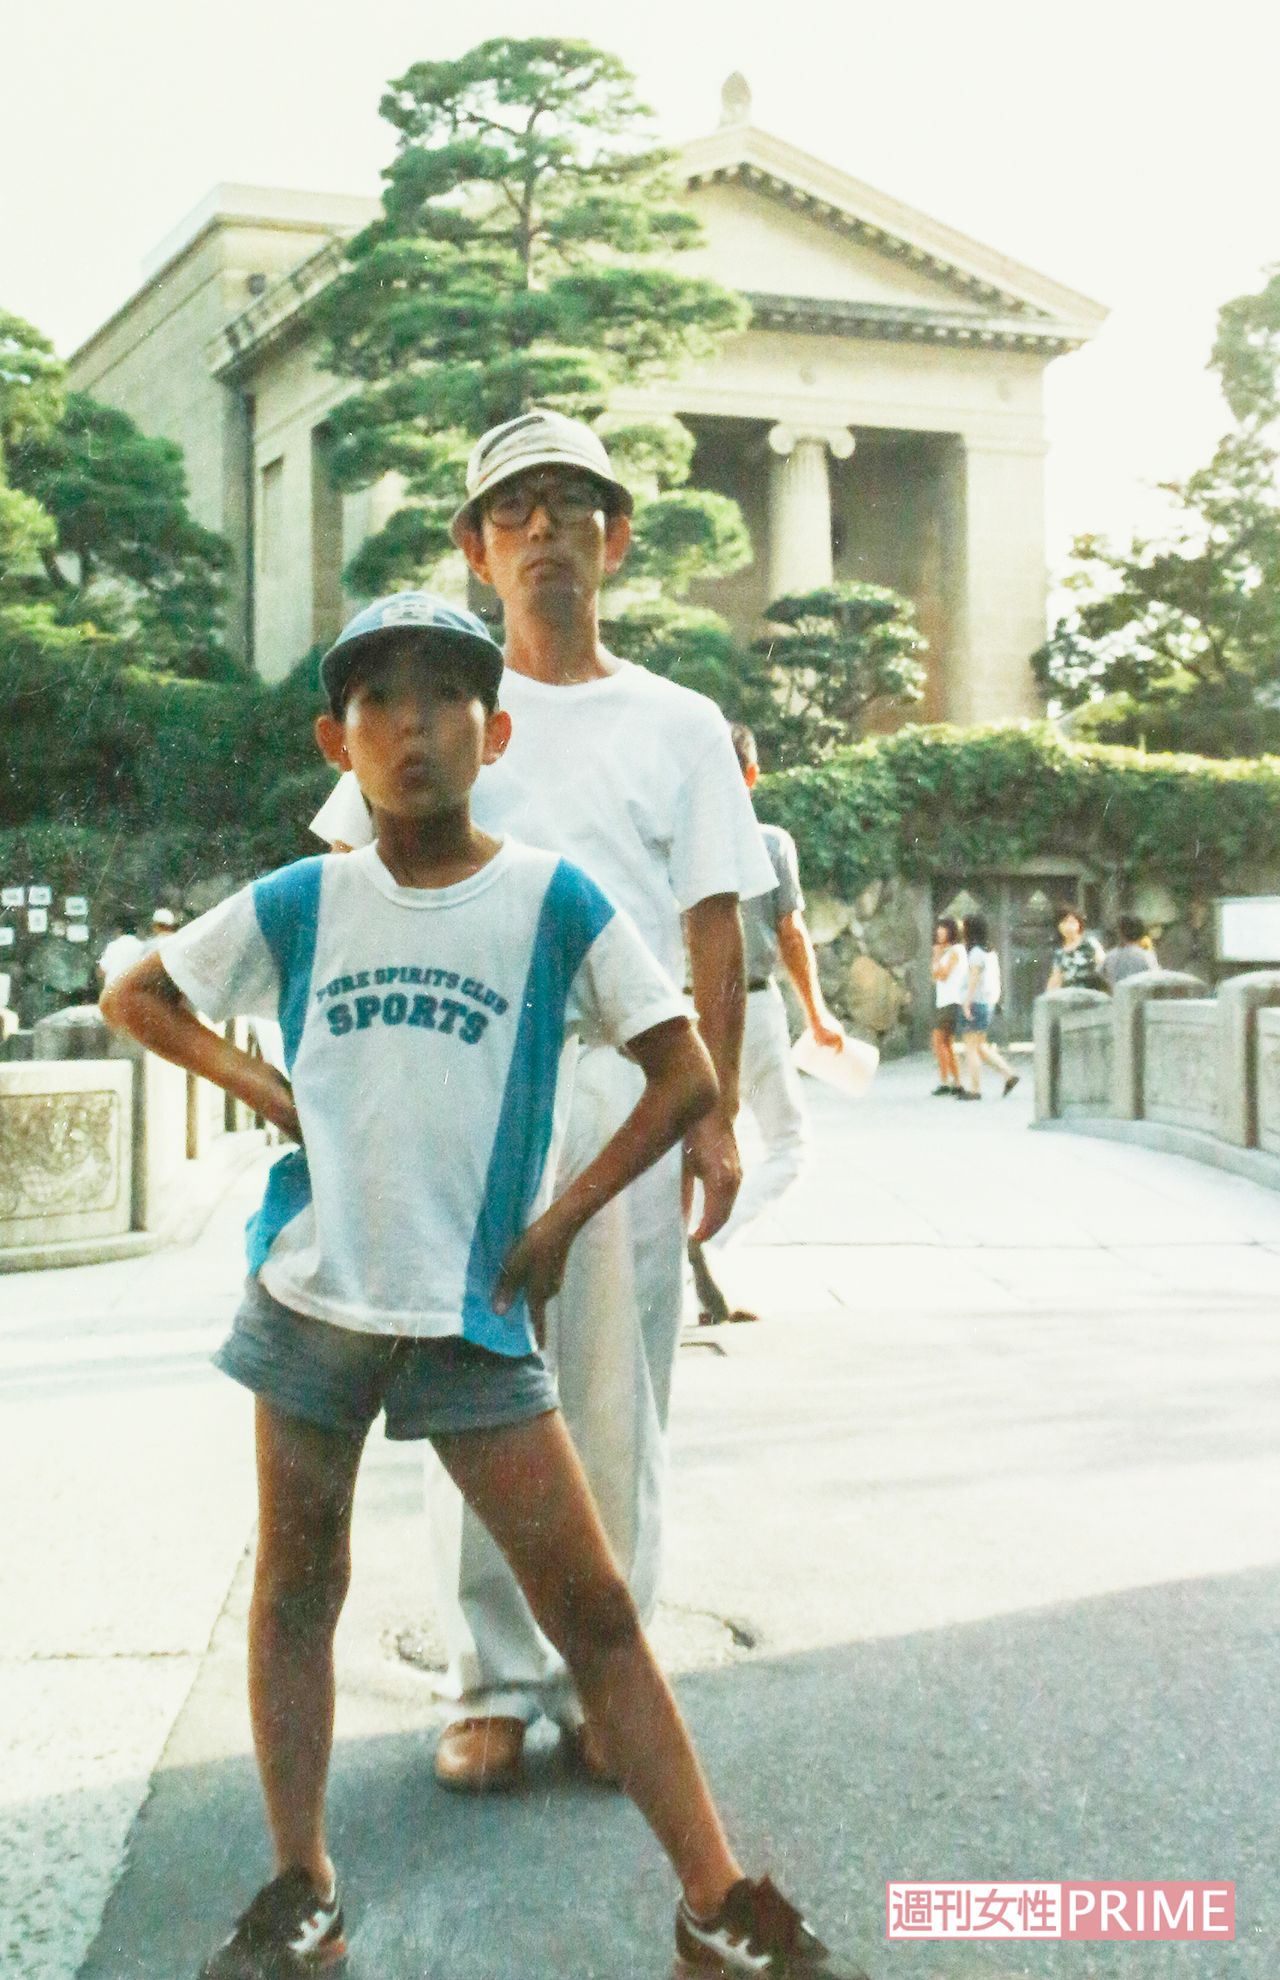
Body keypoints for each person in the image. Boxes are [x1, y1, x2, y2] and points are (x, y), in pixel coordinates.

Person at [101, 598, 865, 1980]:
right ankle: (301, 1891)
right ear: (340, 742)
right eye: (380, 703)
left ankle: (715, 1901)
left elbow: (683, 1067)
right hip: (315, 1299)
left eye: (446, 699)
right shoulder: (304, 899)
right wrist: (263, 1088)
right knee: (296, 1587)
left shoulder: (551, 902)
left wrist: (564, 1221)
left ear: (494, 733)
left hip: (472, 1309)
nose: (414, 727)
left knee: (593, 1609)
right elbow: (141, 996)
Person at [310, 410, 774, 1793]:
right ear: (475, 545)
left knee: (618, 1400)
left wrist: (719, 1114)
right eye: (517, 509)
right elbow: (349, 883)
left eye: (577, 506)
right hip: (473, 1087)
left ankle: (606, 1686)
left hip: (628, 1092)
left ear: (616, 539)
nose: (548, 531)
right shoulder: (438, 711)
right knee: (484, 1385)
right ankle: (495, 1682)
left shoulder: (680, 723)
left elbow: (714, 933)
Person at [687, 722, 845, 1326]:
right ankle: (713, 1245)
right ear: (752, 776)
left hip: (681, 1011)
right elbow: (791, 934)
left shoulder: (671, 842)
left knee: (681, 1153)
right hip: (750, 1007)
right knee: (789, 1144)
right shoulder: (771, 842)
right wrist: (818, 1013)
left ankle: (684, 1275)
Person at [957, 912, 1018, 1101]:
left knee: (971, 1048)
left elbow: (974, 978)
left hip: (975, 1002)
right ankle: (1009, 1074)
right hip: (987, 1002)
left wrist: (967, 1002)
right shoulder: (990, 952)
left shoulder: (975, 953)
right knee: (981, 1047)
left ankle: (975, 1089)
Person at [930, 917, 967, 1094]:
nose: (939, 931)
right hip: (944, 1001)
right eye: (938, 928)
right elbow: (935, 975)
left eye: (943, 928)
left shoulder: (956, 951)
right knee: (946, 1044)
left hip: (951, 1002)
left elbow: (942, 975)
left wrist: (936, 957)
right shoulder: (948, 952)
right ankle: (954, 1082)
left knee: (939, 1042)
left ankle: (949, 1081)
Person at [1045, 905, 1105, 992]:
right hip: (1070, 998)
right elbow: (1056, 979)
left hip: (1092, 995)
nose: (1068, 927)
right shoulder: (1060, 953)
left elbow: (1103, 966)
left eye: (1072, 922)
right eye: (1064, 922)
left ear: (1079, 924)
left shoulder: (1090, 943)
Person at [1102, 913, 1159, 990]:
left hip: (1117, 999)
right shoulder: (1147, 957)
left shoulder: (1110, 957)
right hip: (1140, 999)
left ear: (1120, 932)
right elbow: (1156, 980)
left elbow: (1101, 978)